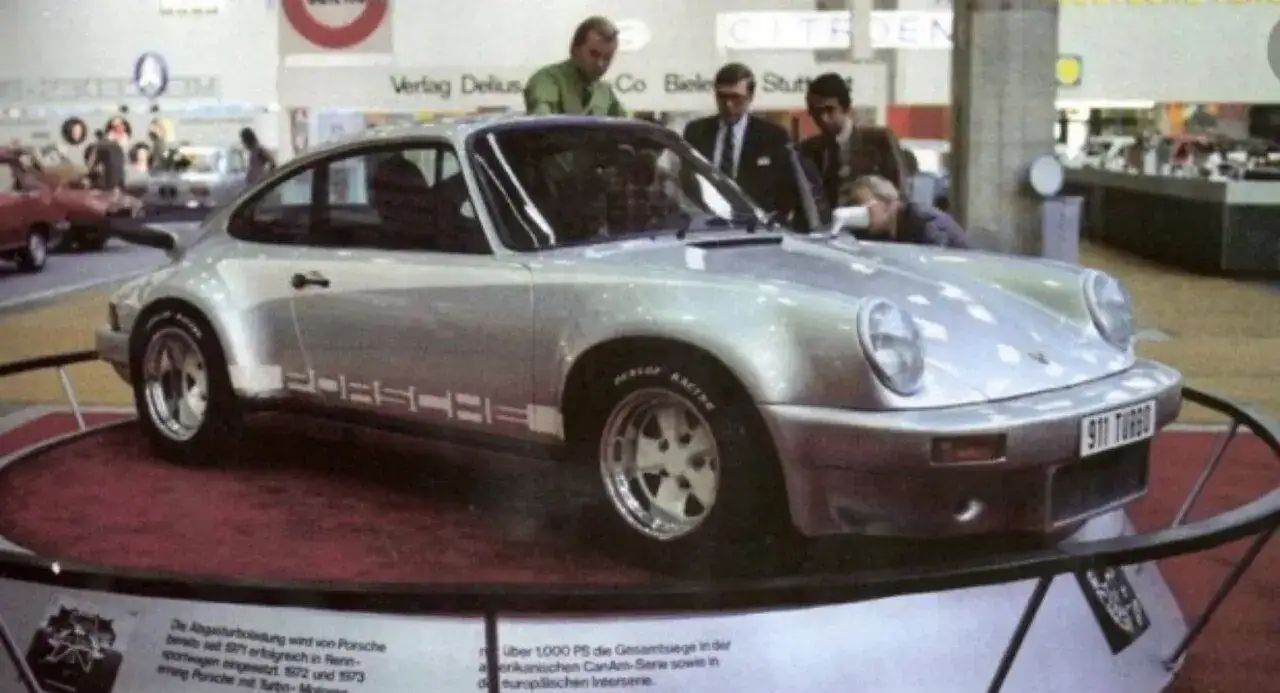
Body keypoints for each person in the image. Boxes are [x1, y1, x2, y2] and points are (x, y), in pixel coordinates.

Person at [681, 63, 795, 217]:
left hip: (756, 222)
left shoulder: (773, 136)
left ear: (750, 96)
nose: (729, 105)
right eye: (722, 97)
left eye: (736, 98)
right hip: (707, 220)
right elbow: (687, 180)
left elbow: (785, 188)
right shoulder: (696, 132)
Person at [799, 73, 906, 208]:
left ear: (846, 107)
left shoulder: (879, 140)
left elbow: (901, 188)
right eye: (816, 112)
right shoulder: (809, 149)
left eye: (829, 110)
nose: (823, 118)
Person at [524, 16, 626, 117]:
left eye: (607, 58)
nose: (600, 64)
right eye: (594, 54)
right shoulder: (546, 80)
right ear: (575, 49)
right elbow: (542, 118)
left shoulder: (605, 92)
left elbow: (626, 122)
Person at [845, 175, 971, 249]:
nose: (860, 212)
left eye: (864, 206)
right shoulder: (883, 230)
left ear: (887, 203)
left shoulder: (926, 225)